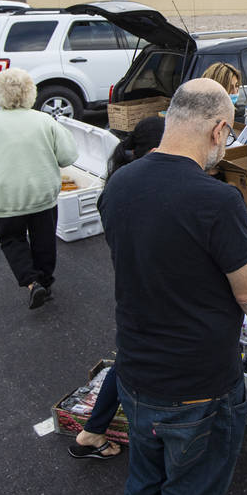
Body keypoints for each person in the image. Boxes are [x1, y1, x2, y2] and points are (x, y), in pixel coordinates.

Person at [98, 78, 247, 495]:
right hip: (198, 390)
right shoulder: (216, 199)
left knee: (143, 489)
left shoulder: (120, 183)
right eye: (227, 137)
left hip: (136, 376)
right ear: (218, 130)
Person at [71, 115, 168, 462]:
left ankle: (93, 431)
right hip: (149, 291)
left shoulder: (121, 185)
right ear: (156, 150)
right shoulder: (144, 189)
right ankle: (94, 432)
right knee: (131, 360)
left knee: (128, 358)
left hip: (135, 288)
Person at [0, 68, 78, 309]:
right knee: (44, 239)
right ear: (31, 92)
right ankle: (45, 282)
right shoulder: (44, 120)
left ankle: (31, 282)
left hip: (5, 197)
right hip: (42, 193)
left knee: (11, 240)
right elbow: (68, 156)